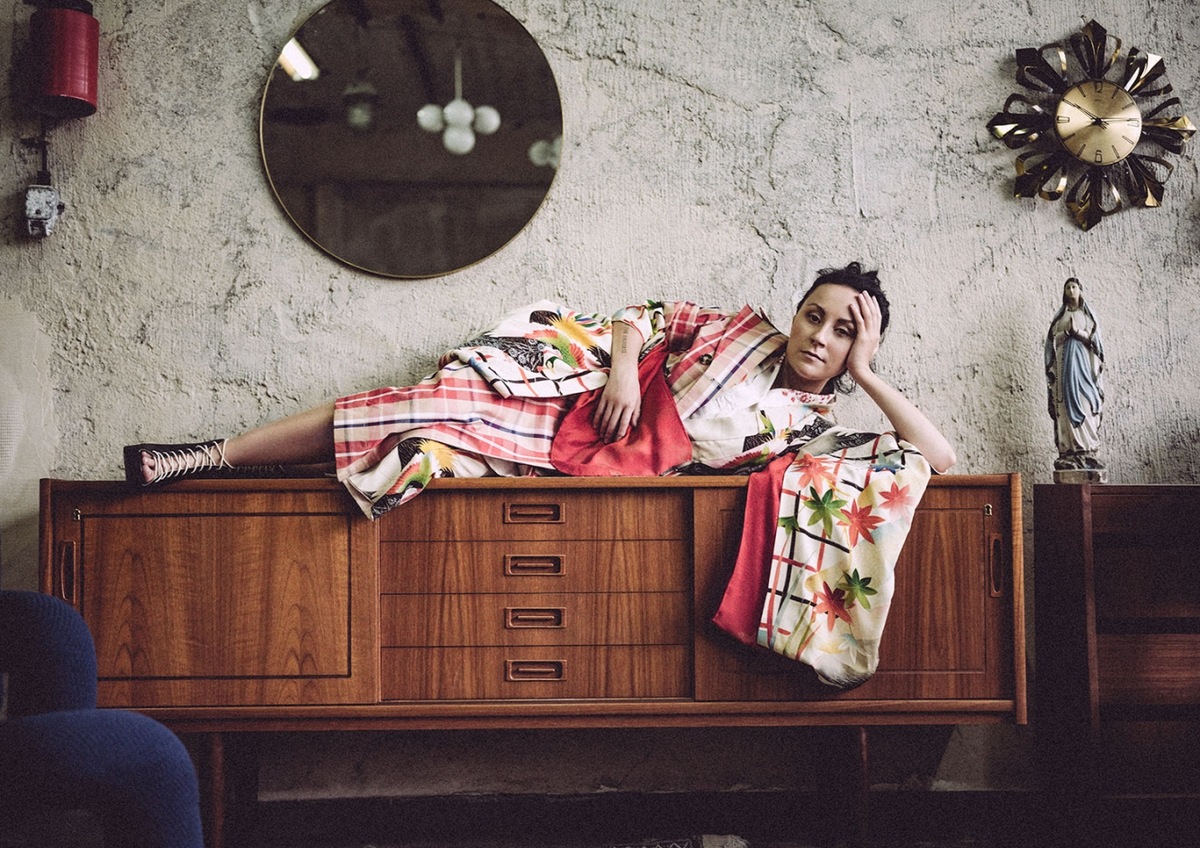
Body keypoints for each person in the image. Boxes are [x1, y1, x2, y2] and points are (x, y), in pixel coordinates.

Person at [125, 262, 955, 518]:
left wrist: (866, 374)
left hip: (610, 492)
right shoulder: (736, 328)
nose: (818, 336)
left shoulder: (809, 428)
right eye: (815, 315)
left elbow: (938, 459)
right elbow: (642, 315)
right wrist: (625, 368)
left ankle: (248, 482)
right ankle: (205, 457)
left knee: (409, 459)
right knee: (408, 407)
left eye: (842, 331)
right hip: (562, 414)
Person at [1044, 276, 1104, 471]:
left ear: (1080, 290)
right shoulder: (1060, 318)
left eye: (1074, 287)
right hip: (1064, 370)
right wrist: (1066, 334)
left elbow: (1096, 343)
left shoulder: (1087, 316)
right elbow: (1052, 342)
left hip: (1083, 370)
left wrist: (1078, 333)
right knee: (1064, 407)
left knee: (1086, 403)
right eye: (1068, 287)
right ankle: (1069, 451)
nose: (1071, 291)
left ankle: (1087, 450)